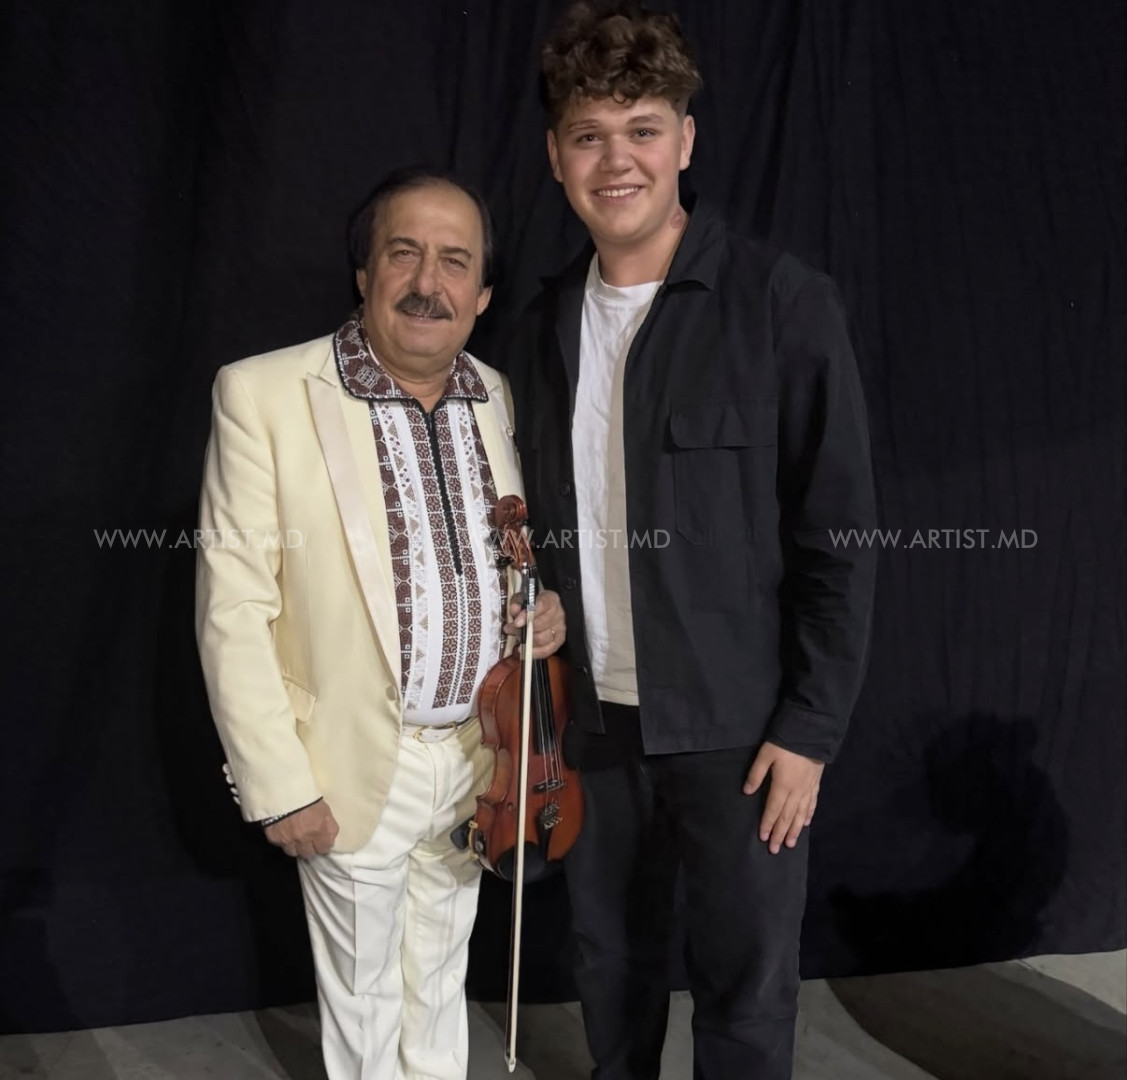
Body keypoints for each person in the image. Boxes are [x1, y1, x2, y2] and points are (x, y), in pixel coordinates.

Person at [504, 3, 879, 1078]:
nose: (614, 159)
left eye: (642, 128)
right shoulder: (537, 328)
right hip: (591, 729)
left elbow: (839, 537)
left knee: (744, 993)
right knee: (607, 973)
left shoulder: (780, 304)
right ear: (555, 156)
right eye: (588, 134)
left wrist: (808, 730)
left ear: (685, 140)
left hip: (739, 737)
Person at [194, 167, 566, 1080]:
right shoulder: (266, 393)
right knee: (362, 999)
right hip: (354, 758)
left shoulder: (497, 396)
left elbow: (500, 555)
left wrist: (538, 610)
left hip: (480, 755)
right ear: (364, 273)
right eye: (404, 253)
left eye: (454, 261)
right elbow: (232, 608)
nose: (427, 283)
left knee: (439, 978)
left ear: (482, 294)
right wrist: (279, 786)